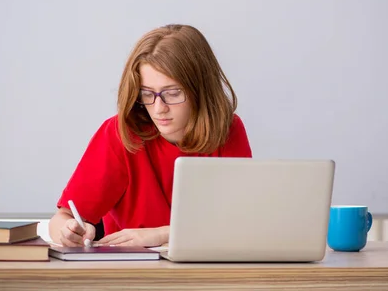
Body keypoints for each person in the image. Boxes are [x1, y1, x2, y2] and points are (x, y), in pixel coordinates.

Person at [49, 24, 252, 247]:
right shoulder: (120, 133)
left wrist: (163, 234)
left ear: (200, 89)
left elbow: (238, 223)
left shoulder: (228, 128)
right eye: (146, 94)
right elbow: (62, 218)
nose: (158, 108)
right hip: (134, 273)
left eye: (172, 93)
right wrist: (67, 232)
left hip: (207, 271)